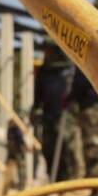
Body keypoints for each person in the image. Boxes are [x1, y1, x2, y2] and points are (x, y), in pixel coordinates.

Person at [30, 46, 73, 180]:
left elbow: (74, 90)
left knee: (65, 150)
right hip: (48, 115)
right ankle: (53, 179)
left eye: (49, 51)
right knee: (48, 149)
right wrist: (35, 108)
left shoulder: (68, 69)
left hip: (64, 115)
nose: (46, 54)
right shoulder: (44, 71)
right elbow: (38, 92)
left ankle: (66, 179)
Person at [64, 68, 98, 180]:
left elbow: (81, 82)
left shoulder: (92, 57)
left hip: (95, 109)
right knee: (92, 151)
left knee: (95, 151)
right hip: (92, 108)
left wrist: (71, 97)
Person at [2, 116, 27, 194]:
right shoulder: (16, 129)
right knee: (20, 170)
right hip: (17, 151)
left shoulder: (11, 128)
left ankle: (6, 190)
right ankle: (20, 188)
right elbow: (19, 139)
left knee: (10, 170)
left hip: (13, 150)